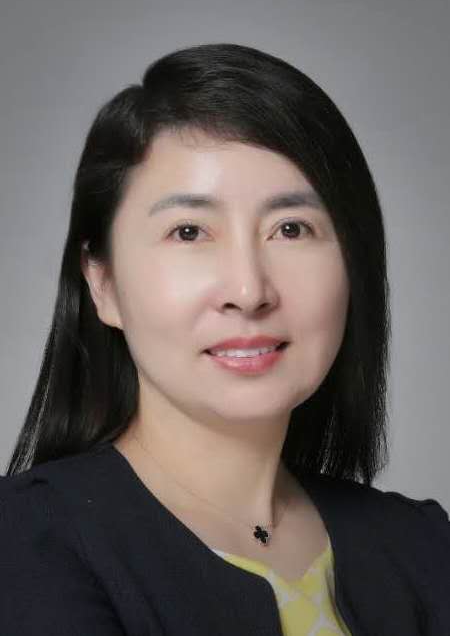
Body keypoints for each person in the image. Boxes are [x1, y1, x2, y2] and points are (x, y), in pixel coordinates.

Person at [0, 42, 449, 636]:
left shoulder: (424, 546)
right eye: (189, 232)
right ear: (102, 283)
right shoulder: (27, 542)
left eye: (291, 228)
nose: (248, 289)